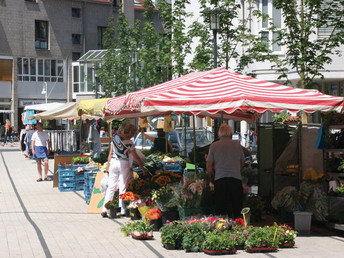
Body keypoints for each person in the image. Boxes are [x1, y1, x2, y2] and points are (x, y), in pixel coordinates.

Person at [101, 123, 147, 218]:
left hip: (113, 162)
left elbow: (110, 154)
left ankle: (105, 209)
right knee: (123, 186)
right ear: (130, 132)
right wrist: (142, 167)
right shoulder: (129, 143)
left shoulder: (114, 139)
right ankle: (122, 209)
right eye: (132, 133)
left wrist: (107, 168)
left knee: (111, 187)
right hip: (123, 163)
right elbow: (136, 157)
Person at [206, 124, 245, 219]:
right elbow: (243, 162)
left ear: (219, 133)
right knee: (237, 208)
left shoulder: (214, 146)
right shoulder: (237, 145)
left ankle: (222, 229)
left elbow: (209, 165)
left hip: (220, 179)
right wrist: (235, 168)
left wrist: (211, 177)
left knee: (221, 210)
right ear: (230, 133)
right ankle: (238, 228)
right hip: (235, 179)